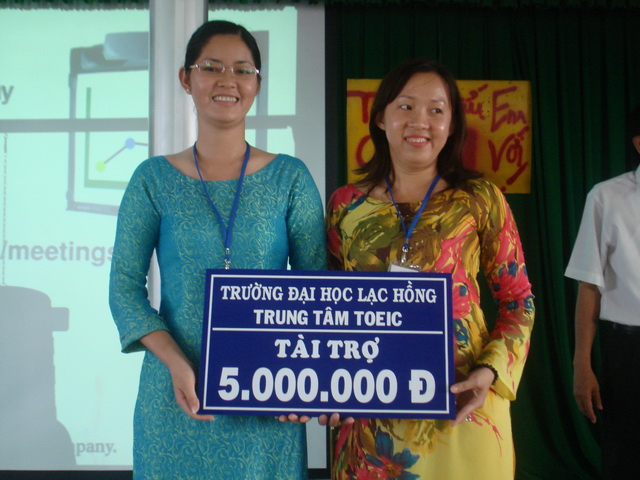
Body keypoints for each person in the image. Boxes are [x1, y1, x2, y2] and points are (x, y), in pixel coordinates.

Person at [109, 20, 326, 479]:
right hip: (177, 395)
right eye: (211, 67)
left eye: (243, 70)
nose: (228, 80)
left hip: (268, 396)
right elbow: (124, 288)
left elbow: (317, 289)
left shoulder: (290, 178)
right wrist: (176, 362)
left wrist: (304, 377)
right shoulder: (152, 179)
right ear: (186, 79)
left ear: (257, 85)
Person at [323, 58, 535, 479]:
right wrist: (327, 384)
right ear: (380, 117)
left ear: (451, 125)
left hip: (463, 403)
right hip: (370, 414)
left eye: (436, 110)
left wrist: (491, 371)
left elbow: (518, 300)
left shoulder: (480, 198)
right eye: (406, 106)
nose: (420, 121)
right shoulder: (345, 205)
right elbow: (330, 308)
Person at [565, 104, 640, 480]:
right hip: (627, 353)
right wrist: (582, 364)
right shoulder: (606, 197)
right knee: (626, 458)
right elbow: (588, 284)